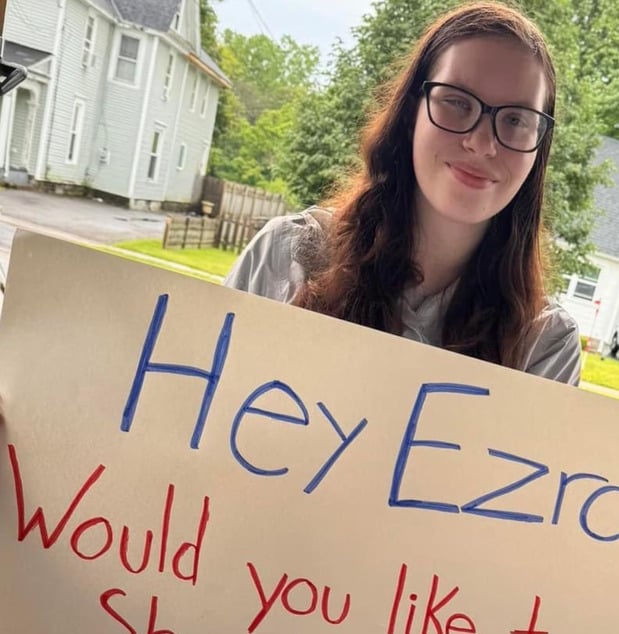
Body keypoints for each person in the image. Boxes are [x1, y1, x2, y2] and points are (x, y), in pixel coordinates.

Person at [223, 2, 581, 385]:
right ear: (412, 114)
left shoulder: (545, 348)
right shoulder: (285, 257)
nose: (482, 142)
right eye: (457, 102)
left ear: (539, 148)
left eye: (515, 120)